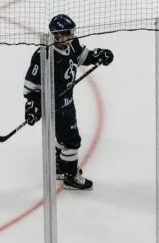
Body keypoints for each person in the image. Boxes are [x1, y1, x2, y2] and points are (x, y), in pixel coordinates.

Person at [23, 14, 114, 191]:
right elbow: (30, 87)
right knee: (72, 141)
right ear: (56, 35)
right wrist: (33, 106)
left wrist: (99, 55)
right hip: (53, 107)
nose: (71, 37)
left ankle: (59, 165)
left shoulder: (72, 45)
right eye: (67, 34)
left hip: (67, 102)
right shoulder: (44, 55)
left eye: (71, 33)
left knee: (64, 137)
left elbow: (83, 56)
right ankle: (70, 176)